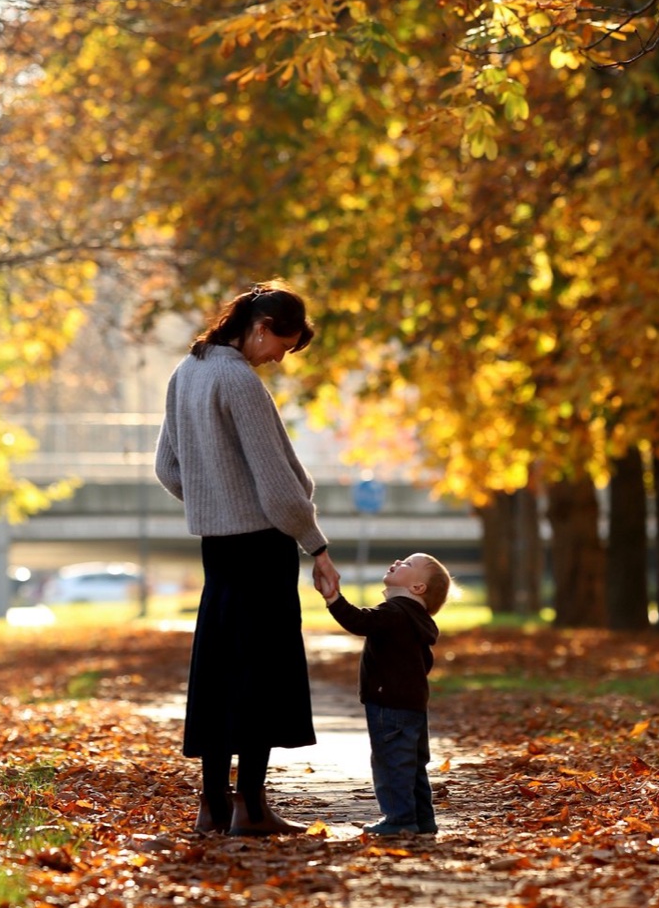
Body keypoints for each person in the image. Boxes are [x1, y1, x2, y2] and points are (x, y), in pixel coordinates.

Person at [155, 284, 338, 837]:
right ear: (260, 327)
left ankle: (212, 807)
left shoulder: (186, 372)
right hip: (262, 546)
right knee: (260, 672)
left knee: (218, 670)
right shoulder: (239, 380)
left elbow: (168, 468)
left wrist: (214, 502)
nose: (279, 358)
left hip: (219, 548)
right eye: (281, 345)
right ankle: (252, 809)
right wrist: (317, 547)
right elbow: (280, 489)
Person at [313, 551, 450, 836]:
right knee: (412, 764)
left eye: (408, 564)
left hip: (389, 702)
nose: (399, 562)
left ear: (417, 588)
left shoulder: (395, 612)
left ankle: (399, 820)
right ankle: (422, 819)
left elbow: (360, 622)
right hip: (412, 704)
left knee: (391, 762)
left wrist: (333, 599)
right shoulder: (416, 619)